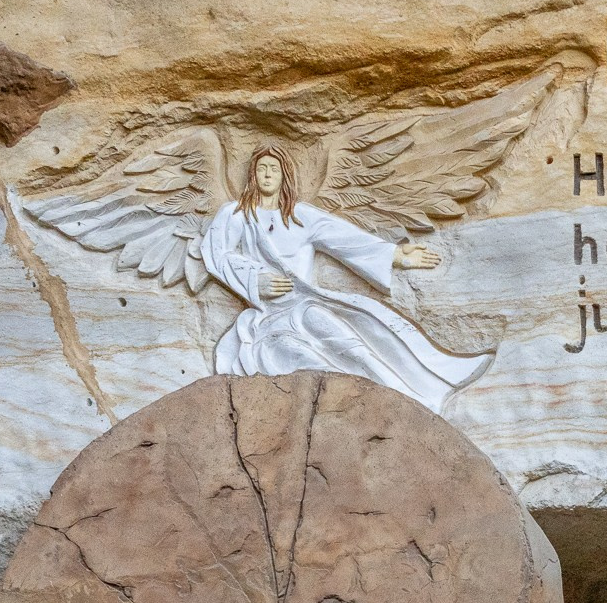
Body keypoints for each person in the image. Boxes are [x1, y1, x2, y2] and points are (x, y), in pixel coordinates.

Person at [195, 147, 490, 408]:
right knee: (313, 365)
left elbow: (345, 240)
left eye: (274, 168)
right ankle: (366, 409)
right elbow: (217, 255)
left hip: (305, 305)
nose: (267, 174)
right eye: (261, 168)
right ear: (252, 175)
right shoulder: (235, 215)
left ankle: (412, 400)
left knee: (355, 348)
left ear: (285, 175)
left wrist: (395, 255)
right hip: (267, 320)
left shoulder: (301, 216)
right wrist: (256, 281)